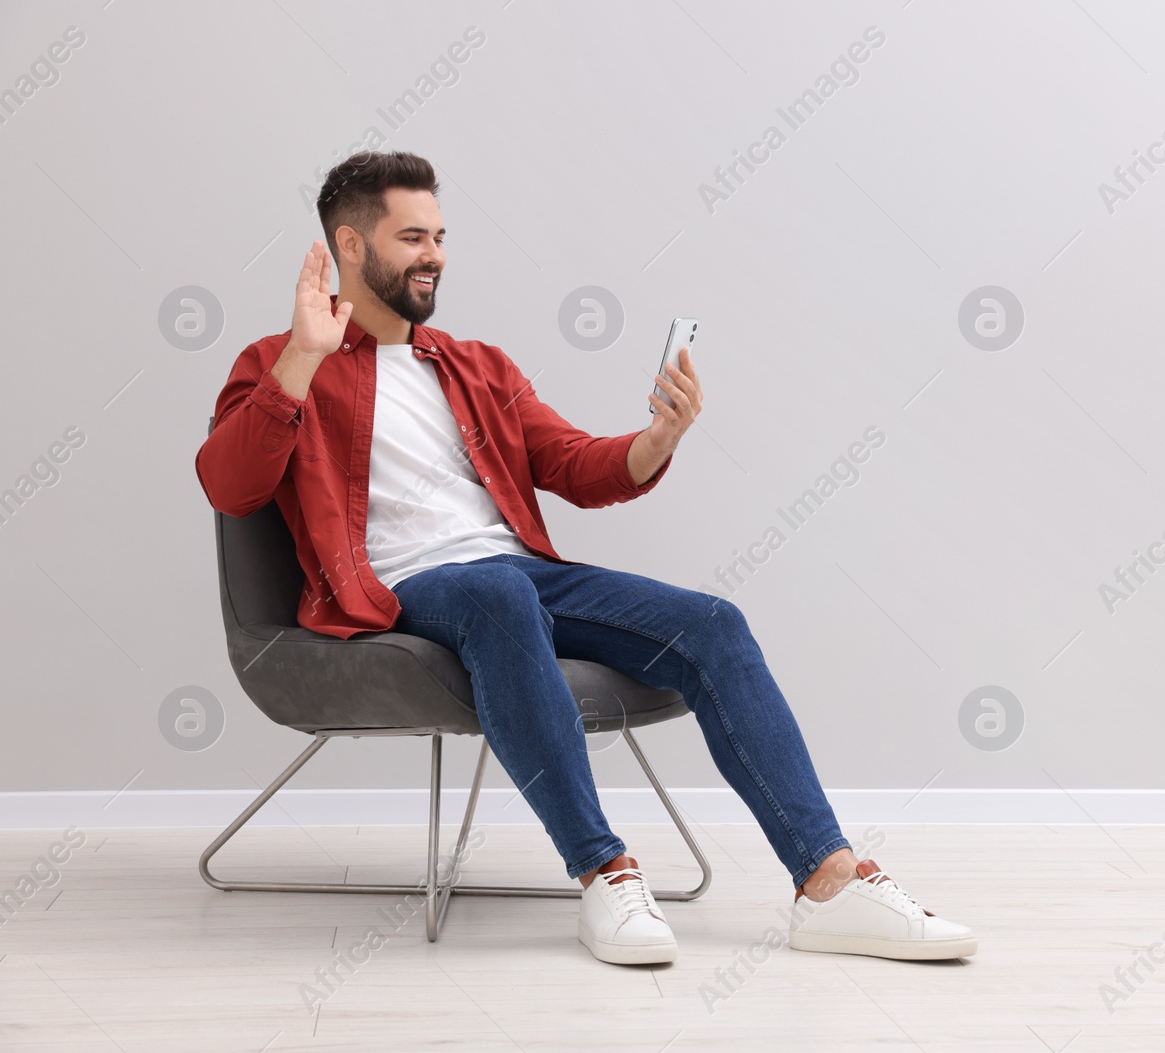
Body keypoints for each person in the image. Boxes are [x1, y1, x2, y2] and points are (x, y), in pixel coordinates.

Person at [195, 150, 975, 966]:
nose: (437, 255)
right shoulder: (279, 361)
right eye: (413, 237)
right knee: (498, 590)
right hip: (399, 591)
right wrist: (301, 358)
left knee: (713, 622)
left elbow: (573, 463)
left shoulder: (475, 366)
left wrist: (655, 439)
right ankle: (604, 871)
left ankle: (829, 881)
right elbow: (230, 483)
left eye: (441, 236)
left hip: (516, 579)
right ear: (351, 247)